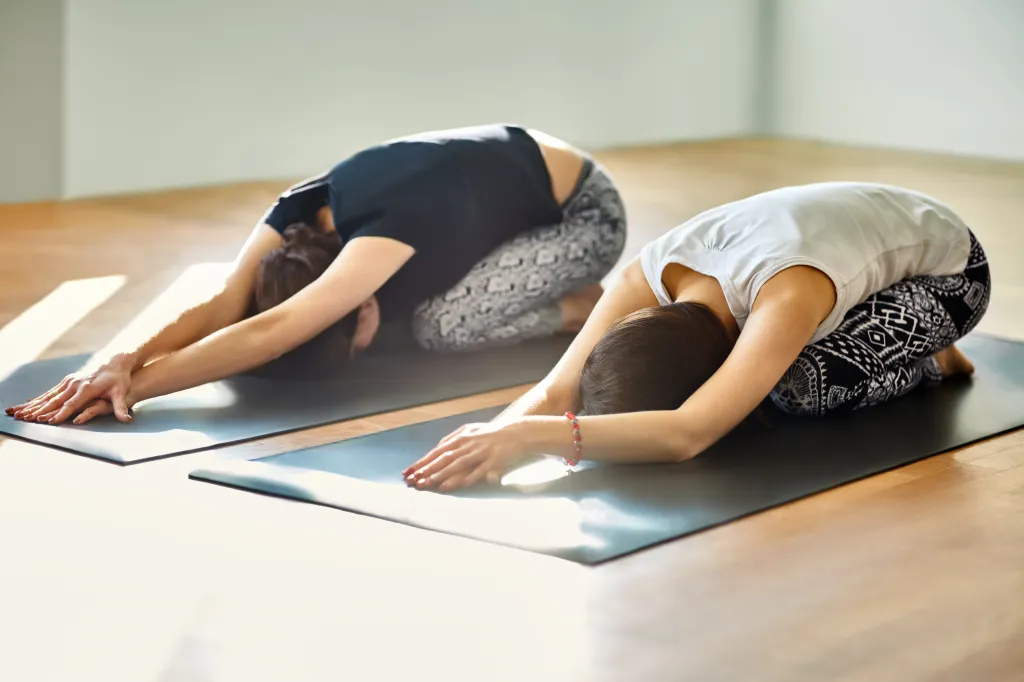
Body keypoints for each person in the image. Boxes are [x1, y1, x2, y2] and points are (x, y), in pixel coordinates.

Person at [6, 124, 627, 425]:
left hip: (581, 214)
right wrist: (122, 359)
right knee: (406, 321)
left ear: (360, 301)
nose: (360, 350)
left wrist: (136, 388)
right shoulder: (298, 212)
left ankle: (578, 305)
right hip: (492, 204)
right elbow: (228, 300)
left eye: (350, 338)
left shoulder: (388, 230)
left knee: (440, 327)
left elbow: (272, 330)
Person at [404, 181, 990, 491]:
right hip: (849, 243)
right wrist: (494, 436)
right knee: (782, 367)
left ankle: (933, 358)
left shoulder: (785, 296)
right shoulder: (645, 277)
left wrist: (536, 437)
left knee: (799, 387)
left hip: (950, 272)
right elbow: (559, 389)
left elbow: (688, 432)